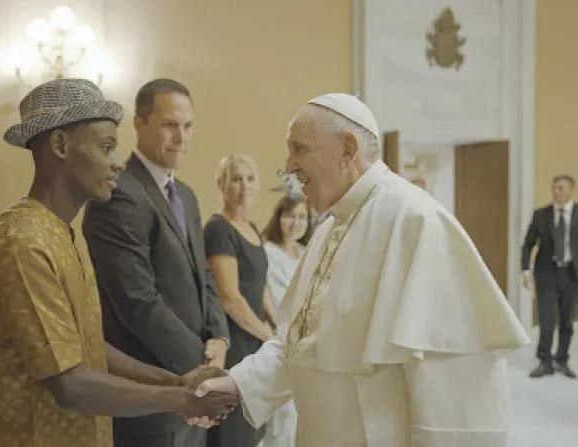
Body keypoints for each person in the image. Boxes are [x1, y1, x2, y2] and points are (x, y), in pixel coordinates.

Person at [193, 93, 531, 446]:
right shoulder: (329, 228)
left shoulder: (416, 221)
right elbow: (299, 343)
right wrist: (238, 383)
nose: (289, 167)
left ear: (347, 149)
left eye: (300, 149)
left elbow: (455, 390)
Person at [0, 78, 236, 447]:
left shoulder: (61, 234)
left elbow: (89, 347)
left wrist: (178, 381)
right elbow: (70, 384)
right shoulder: (20, 242)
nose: (118, 163)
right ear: (61, 145)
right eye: (106, 148)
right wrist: (182, 398)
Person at [82, 78, 230, 447]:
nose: (181, 136)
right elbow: (137, 301)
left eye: (188, 125)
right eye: (169, 124)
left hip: (195, 381)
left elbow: (203, 275)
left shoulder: (187, 196)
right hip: (151, 389)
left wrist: (219, 336)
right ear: (139, 123)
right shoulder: (118, 194)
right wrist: (200, 368)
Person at [203, 155, 275, 447]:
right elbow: (230, 298)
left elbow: (260, 287)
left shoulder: (252, 228)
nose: (244, 186)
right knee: (234, 434)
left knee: (254, 432)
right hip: (235, 343)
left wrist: (279, 327)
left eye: (250, 178)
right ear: (222, 185)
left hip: (256, 340)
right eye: (236, 179)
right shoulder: (219, 229)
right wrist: (268, 335)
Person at [259, 193, 314, 447]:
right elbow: (264, 293)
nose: (296, 222)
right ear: (279, 218)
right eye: (290, 216)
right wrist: (278, 327)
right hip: (278, 335)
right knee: (279, 416)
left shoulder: (306, 253)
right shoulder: (267, 252)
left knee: (300, 415)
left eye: (302, 217)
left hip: (305, 339)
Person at [522, 175, 578, 378]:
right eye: (554, 188)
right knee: (546, 321)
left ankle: (562, 359)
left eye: (561, 188)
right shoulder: (541, 215)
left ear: (571, 190)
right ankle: (544, 360)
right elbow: (528, 244)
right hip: (547, 273)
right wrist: (526, 271)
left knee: (567, 321)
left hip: (571, 274)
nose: (556, 192)